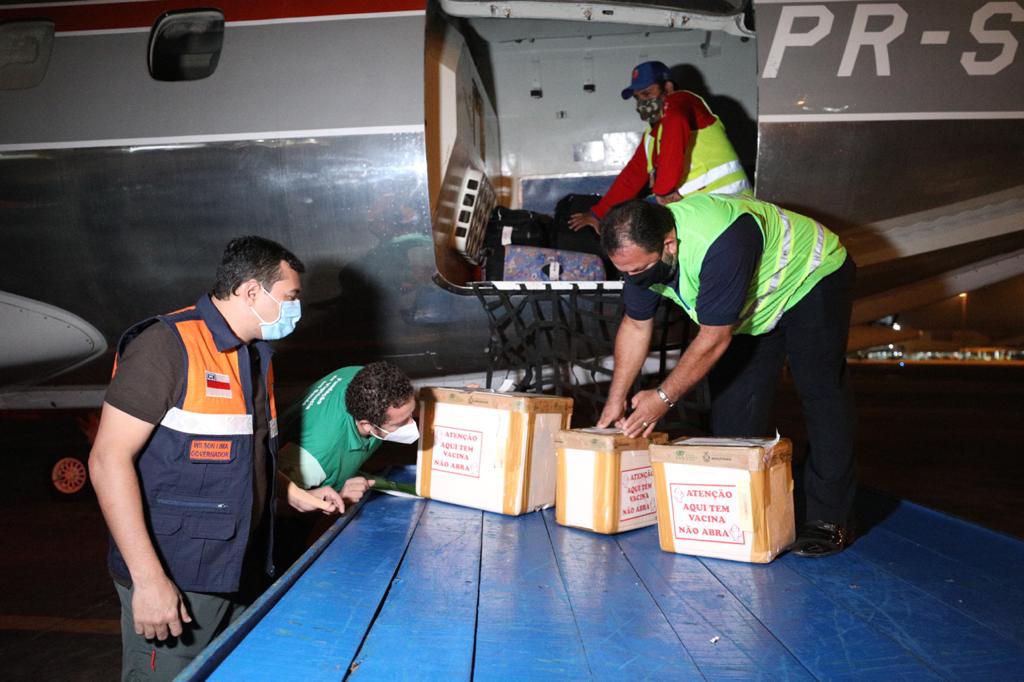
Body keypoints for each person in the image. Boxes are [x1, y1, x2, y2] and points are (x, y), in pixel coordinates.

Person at [89, 236, 334, 680]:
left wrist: (291, 493)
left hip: (240, 569)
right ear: (251, 292)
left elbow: (244, 455)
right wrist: (149, 580)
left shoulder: (255, 356)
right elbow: (108, 460)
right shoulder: (166, 346)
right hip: (178, 576)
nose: (297, 309)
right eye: (291, 297)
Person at [596, 196, 857, 557]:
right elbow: (637, 325)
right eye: (624, 272)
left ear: (668, 243)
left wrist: (662, 400)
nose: (632, 279)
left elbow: (714, 337)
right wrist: (615, 399)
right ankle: (737, 514)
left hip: (810, 278)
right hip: (754, 304)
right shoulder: (641, 259)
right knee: (733, 411)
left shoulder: (721, 241)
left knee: (820, 390)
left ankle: (827, 518)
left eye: (638, 271)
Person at [568, 61, 750, 234]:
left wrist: (664, 190)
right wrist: (599, 214)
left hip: (729, 206)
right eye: (637, 98)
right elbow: (633, 174)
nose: (642, 103)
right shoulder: (653, 134)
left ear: (668, 88)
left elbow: (676, 120)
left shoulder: (683, 101)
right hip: (700, 210)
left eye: (647, 94)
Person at [277, 361, 418, 508]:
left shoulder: (368, 381)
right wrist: (339, 499)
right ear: (367, 425)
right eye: (400, 423)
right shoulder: (314, 458)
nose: (411, 424)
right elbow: (277, 502)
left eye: (411, 413)